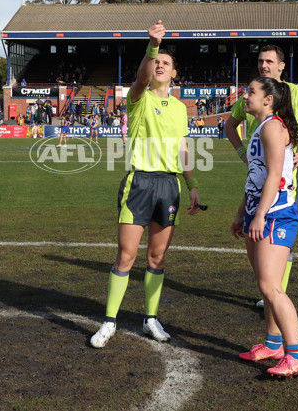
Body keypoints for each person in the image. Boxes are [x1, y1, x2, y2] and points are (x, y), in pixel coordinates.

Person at [90, 20, 202, 349]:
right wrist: (153, 46)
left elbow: (183, 148)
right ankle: (109, 322)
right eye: (157, 63)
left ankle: (150, 319)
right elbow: (140, 77)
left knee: (156, 258)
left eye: (166, 63)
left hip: (169, 185)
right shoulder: (139, 98)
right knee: (126, 257)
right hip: (139, 182)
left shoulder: (181, 109)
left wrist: (192, 184)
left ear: (175, 73)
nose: (160, 66)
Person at [224, 45, 298, 308]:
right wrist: (243, 152)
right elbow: (230, 125)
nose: (264, 66)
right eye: (261, 61)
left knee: (276, 239)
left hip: (282, 183)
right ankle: (272, 295)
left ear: (281, 66)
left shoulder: (296, 93)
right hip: (256, 182)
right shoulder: (251, 97)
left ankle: (275, 298)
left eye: (270, 62)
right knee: (258, 247)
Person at [231, 76, 298, 378]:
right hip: (259, 212)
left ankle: (296, 356)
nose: (245, 96)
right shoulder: (260, 127)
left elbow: (276, 175)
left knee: (271, 287)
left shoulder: (274, 127)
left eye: (250, 92)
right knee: (265, 283)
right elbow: (256, 177)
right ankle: (274, 344)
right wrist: (243, 214)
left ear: (268, 100)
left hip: (276, 214)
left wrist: (260, 215)